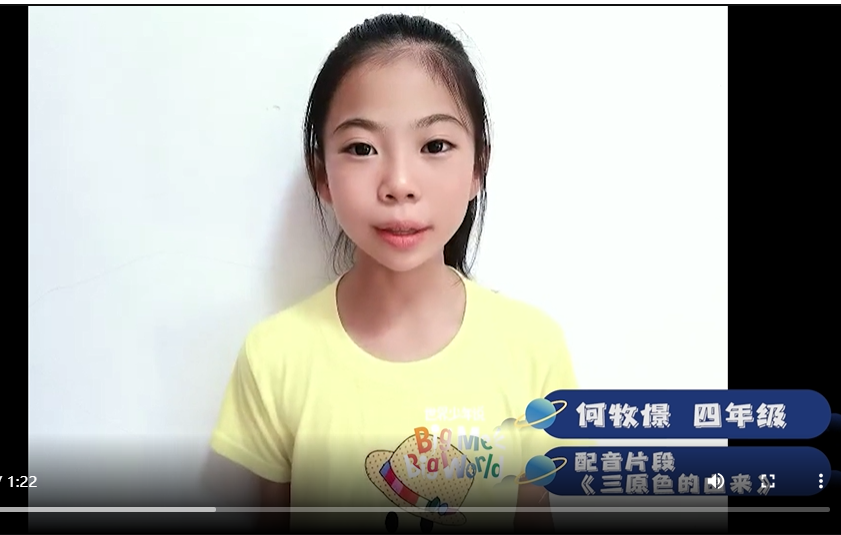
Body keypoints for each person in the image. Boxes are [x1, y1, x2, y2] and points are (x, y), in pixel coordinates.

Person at [211, 13, 580, 534]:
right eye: (362, 148)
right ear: (321, 173)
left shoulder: (532, 347)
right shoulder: (275, 356)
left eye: (435, 146)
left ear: (479, 166)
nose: (399, 183)